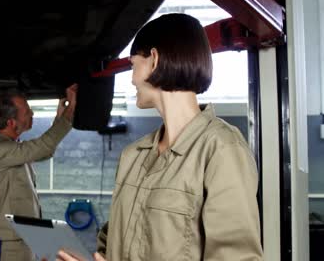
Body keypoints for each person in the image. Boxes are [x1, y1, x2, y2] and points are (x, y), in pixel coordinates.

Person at [57, 13, 263, 261]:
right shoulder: (133, 156)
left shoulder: (221, 149)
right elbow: (112, 242)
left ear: (153, 60)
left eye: (133, 65)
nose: (132, 79)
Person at [0, 83, 78, 261]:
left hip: (25, 241)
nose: (32, 114)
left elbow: (45, 150)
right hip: (14, 246)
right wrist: (70, 110)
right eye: (27, 112)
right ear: (11, 122)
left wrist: (60, 114)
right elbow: (43, 147)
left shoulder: (13, 149)